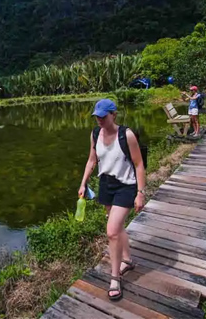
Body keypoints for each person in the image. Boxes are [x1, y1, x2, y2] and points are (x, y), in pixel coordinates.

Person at [78, 99, 146, 301]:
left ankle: (115, 278)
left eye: (103, 116)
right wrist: (83, 183)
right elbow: (92, 160)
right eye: (96, 116)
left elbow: (139, 164)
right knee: (116, 227)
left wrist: (140, 192)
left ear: (113, 115)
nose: (99, 119)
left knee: (111, 231)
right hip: (106, 184)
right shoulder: (95, 133)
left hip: (126, 186)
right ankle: (127, 260)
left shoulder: (127, 135)